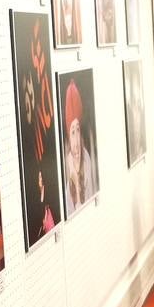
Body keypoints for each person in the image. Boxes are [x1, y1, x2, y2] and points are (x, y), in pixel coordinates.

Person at [63, 80, 96, 212]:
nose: (76, 142)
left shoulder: (86, 158)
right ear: (68, 136)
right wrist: (75, 182)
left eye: (78, 130)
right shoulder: (65, 168)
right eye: (72, 132)